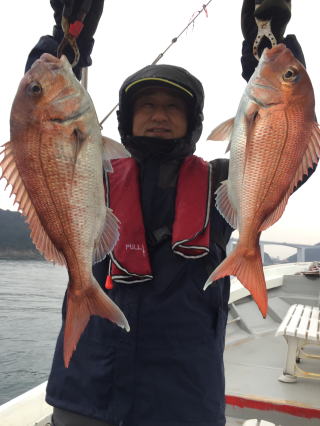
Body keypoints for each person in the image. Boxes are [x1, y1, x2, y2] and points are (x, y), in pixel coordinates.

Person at [25, 1, 313, 425]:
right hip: (88, 386)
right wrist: (63, 43)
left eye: (173, 107)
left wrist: (268, 51)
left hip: (183, 394)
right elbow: (39, 138)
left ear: (192, 121)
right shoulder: (94, 176)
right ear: (127, 119)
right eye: (147, 106)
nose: (159, 115)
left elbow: (287, 153)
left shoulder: (222, 181)